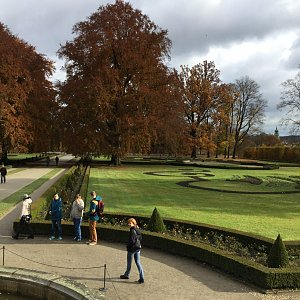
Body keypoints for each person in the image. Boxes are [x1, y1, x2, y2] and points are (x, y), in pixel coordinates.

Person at [120, 218, 144, 284]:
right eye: (128, 223)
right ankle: (142, 277)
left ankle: (126, 275)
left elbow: (132, 241)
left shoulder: (132, 231)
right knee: (138, 263)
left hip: (132, 249)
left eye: (130, 223)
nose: (129, 224)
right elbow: (140, 238)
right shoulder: (137, 229)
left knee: (129, 263)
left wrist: (128, 247)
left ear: (133, 223)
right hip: (138, 248)